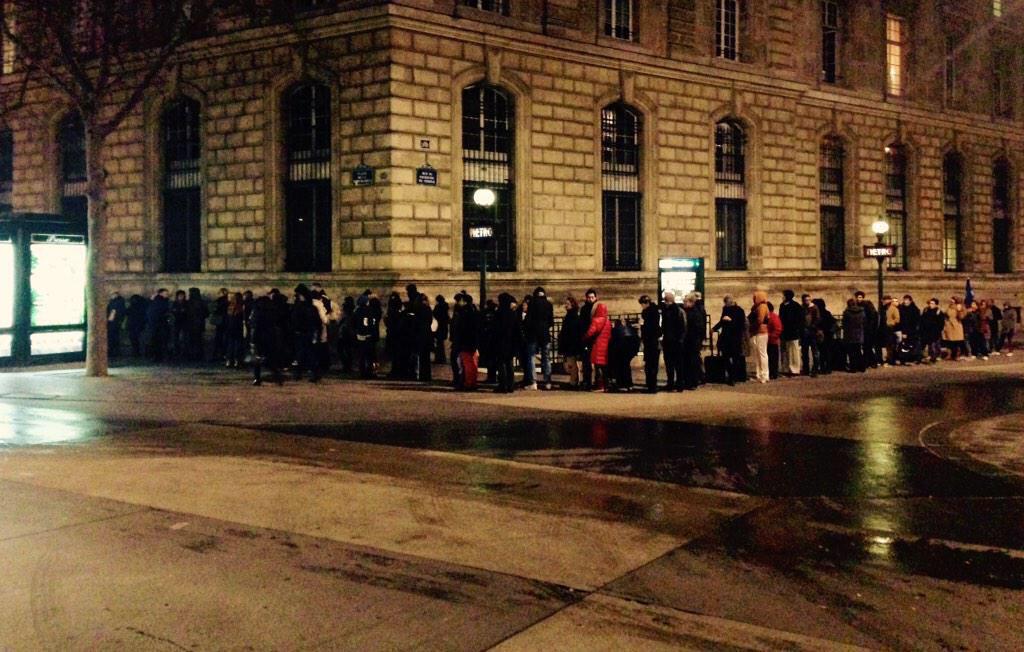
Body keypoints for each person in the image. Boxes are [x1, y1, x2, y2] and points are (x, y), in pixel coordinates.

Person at [523, 286, 554, 390]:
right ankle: (547, 382)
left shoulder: (532, 303)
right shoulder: (549, 304)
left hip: (533, 334)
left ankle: (533, 382)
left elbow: (528, 320)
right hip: (545, 334)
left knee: (531, 357)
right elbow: (551, 322)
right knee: (546, 358)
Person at [711, 295, 746, 385]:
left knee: (734, 358)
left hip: (735, 337)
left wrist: (731, 321)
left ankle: (733, 377)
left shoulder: (739, 310)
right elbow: (722, 321)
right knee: (726, 357)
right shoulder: (726, 309)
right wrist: (714, 328)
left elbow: (741, 324)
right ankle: (731, 376)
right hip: (726, 337)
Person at [250, 293, 283, 386]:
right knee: (269, 359)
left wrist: (253, 340)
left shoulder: (257, 312)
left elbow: (255, 327)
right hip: (270, 337)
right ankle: (276, 375)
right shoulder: (272, 311)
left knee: (258, 359)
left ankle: (257, 378)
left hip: (260, 338)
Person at [451, 293, 480, 390]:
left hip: (464, 342)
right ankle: (472, 382)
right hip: (473, 341)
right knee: (472, 363)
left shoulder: (463, 312)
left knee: (465, 364)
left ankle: (467, 383)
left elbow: (460, 329)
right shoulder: (474, 311)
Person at [493, 292, 520, 393]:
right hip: (511, 342)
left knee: (501, 364)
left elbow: (495, 329)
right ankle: (510, 385)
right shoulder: (512, 313)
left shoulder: (498, 313)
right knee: (509, 364)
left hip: (501, 342)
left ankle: (503, 385)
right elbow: (516, 329)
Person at [584, 299, 612, 392]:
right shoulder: (608, 321)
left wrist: (584, 337)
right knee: (604, 366)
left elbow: (590, 332)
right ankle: (606, 385)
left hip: (598, 345)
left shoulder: (596, 320)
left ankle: (600, 385)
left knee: (598, 366)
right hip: (606, 345)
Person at [660, 292, 685, 392]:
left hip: (670, 341)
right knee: (678, 364)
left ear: (667, 301)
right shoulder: (679, 310)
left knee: (670, 364)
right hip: (676, 341)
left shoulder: (668, 311)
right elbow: (683, 326)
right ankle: (679, 384)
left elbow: (665, 326)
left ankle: (671, 384)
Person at [354, 293, 381, 379]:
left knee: (362, 356)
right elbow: (373, 323)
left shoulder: (358, 311)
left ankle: (363, 372)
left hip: (360, 336)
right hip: (369, 335)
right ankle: (372, 371)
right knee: (371, 355)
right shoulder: (371, 310)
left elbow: (354, 323)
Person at [559, 296, 583, 389]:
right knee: (572, 364)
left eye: (568, 304)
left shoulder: (571, 316)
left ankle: (573, 382)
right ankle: (574, 381)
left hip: (571, 343)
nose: (566, 305)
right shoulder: (573, 316)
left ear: (572, 305)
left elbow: (569, 331)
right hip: (572, 343)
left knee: (572, 364)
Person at [608, 318, 639, 391]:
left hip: (620, 352)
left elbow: (613, 342)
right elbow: (636, 341)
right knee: (626, 368)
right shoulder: (630, 329)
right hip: (627, 352)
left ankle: (622, 384)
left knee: (620, 368)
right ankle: (628, 384)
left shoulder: (616, 330)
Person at [682, 293, 705, 390]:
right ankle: (689, 381)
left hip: (692, 341)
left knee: (692, 361)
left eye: (685, 301)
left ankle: (693, 382)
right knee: (688, 361)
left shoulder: (695, 313)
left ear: (691, 302)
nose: (683, 303)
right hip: (690, 341)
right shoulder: (689, 311)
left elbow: (697, 328)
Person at [778, 289, 804, 377]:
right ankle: (786, 368)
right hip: (784, 332)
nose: (782, 297)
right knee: (785, 351)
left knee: (794, 352)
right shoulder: (782, 305)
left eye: (783, 295)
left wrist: (797, 329)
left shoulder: (795, 306)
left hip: (793, 332)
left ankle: (795, 369)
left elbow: (799, 319)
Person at [639, 294, 661, 393]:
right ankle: (652, 385)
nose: (642, 306)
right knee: (652, 364)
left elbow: (649, 327)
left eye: (642, 304)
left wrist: (642, 326)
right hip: (653, 341)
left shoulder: (649, 312)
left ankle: (651, 386)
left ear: (646, 303)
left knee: (650, 364)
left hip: (650, 341)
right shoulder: (654, 311)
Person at [749, 290, 770, 383]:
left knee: (762, 354)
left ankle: (764, 374)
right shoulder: (757, 307)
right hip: (758, 331)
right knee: (758, 354)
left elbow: (760, 320)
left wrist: (751, 327)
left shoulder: (762, 306)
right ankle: (759, 374)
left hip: (760, 332)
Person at [145, 288, 171, 363]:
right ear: (161, 294)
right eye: (166, 293)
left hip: (155, 325)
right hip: (160, 325)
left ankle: (156, 357)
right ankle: (160, 357)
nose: (167, 295)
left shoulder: (154, 301)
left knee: (156, 341)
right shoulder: (161, 302)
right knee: (161, 342)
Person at [855, 290, 879, 367]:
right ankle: (870, 362)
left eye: (860, 297)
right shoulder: (862, 305)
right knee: (866, 347)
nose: (859, 299)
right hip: (863, 329)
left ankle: (871, 362)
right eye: (858, 297)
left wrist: (869, 327)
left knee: (867, 346)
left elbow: (872, 317)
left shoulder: (866, 305)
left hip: (867, 329)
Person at [579, 289, 597, 390]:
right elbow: (582, 324)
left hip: (595, 337)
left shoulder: (597, 308)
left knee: (597, 361)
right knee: (586, 361)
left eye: (592, 297)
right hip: (587, 337)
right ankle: (587, 381)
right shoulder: (584, 309)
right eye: (589, 297)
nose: (590, 299)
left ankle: (597, 381)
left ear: (595, 297)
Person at [184, 287, 208, 361]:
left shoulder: (188, 303)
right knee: (199, 340)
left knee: (191, 340)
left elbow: (185, 313)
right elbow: (206, 313)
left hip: (190, 324)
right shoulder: (202, 302)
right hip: (199, 324)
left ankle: (191, 355)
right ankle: (199, 355)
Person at [842, 298, 865, 373]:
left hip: (850, 333)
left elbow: (844, 324)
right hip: (859, 333)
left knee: (851, 352)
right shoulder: (862, 311)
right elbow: (864, 321)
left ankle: (853, 368)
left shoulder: (847, 312)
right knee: (858, 351)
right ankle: (862, 367)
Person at [920, 298, 946, 364]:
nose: (930, 305)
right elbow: (922, 319)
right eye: (930, 303)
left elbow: (941, 323)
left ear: (936, 305)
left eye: (932, 303)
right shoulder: (926, 310)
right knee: (930, 344)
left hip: (935, 331)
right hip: (927, 331)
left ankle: (937, 355)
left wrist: (938, 330)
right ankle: (930, 355)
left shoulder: (939, 312)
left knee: (936, 344)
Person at [224, 292, 246, 367]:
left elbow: (227, 318)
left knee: (230, 344)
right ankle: (237, 360)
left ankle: (229, 360)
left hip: (230, 328)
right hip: (238, 328)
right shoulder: (241, 307)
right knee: (238, 344)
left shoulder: (230, 307)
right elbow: (243, 319)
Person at [898, 295, 921, 364]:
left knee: (912, 345)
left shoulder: (914, 309)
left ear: (910, 301)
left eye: (907, 300)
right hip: (904, 330)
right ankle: (905, 359)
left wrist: (908, 331)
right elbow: (902, 321)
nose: (906, 302)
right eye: (905, 300)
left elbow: (915, 321)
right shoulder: (901, 308)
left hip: (912, 331)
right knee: (904, 345)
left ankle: (913, 358)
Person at [943, 297, 966, 361]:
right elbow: (946, 315)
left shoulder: (960, 307)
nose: (951, 303)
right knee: (949, 342)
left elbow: (962, 317)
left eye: (953, 302)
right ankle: (949, 354)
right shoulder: (948, 308)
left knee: (957, 342)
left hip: (957, 326)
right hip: (949, 326)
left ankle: (957, 355)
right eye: (950, 301)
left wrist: (959, 310)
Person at [338, 296, 357, 373]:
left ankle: (346, 366)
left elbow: (342, 322)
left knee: (342, 350)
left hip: (345, 334)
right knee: (348, 351)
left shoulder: (347, 313)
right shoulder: (353, 313)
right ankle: (348, 366)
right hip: (350, 334)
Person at [880, 295, 900, 365]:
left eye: (885, 300)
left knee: (890, 345)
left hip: (889, 328)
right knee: (886, 345)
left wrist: (890, 323)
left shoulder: (893, 309)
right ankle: (886, 359)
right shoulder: (883, 308)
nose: (883, 302)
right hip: (883, 328)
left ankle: (890, 360)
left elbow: (897, 319)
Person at [211, 287, 229, 362]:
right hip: (226, 322)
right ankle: (223, 354)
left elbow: (214, 309)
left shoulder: (219, 301)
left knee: (218, 339)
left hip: (220, 322)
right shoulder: (228, 301)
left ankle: (216, 355)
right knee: (224, 339)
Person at [106, 291, 126, 358]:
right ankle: (115, 352)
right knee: (115, 337)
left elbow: (112, 313)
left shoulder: (115, 303)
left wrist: (109, 320)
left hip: (113, 323)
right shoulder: (120, 302)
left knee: (112, 338)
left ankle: (113, 352)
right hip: (116, 323)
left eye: (112, 295)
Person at [766, 301, 782, 380]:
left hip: (772, 341)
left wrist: (770, 336)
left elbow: (778, 329)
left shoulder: (773, 317)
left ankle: (774, 373)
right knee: (771, 358)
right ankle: (772, 373)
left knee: (773, 358)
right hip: (769, 340)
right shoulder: (770, 316)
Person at [170, 290, 188, 359]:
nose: (181, 297)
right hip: (176, 323)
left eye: (182, 295)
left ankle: (183, 352)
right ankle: (176, 352)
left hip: (184, 323)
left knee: (184, 338)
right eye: (179, 296)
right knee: (175, 338)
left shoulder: (186, 304)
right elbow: (171, 312)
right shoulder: (174, 303)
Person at [433, 295, 450, 364]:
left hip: (439, 326)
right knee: (441, 343)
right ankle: (442, 358)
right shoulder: (446, 306)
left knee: (439, 344)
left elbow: (434, 314)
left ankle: (439, 358)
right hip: (444, 327)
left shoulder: (438, 306)